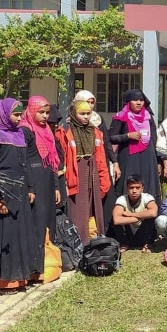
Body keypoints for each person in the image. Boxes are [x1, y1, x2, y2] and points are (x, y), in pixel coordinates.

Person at [0, 99, 41, 295]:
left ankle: (20, 276)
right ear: (5, 114)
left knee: (19, 233)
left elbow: (26, 164)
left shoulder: (20, 135)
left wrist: (31, 187)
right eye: (15, 114)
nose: (19, 118)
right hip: (3, 189)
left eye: (20, 115)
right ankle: (2, 281)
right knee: (3, 234)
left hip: (20, 189)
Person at [57, 100, 112, 246]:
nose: (86, 117)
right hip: (76, 172)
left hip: (92, 170)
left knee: (94, 205)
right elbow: (63, 156)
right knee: (78, 208)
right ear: (74, 114)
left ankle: (96, 241)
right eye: (82, 114)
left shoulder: (95, 131)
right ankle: (79, 243)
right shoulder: (66, 131)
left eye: (88, 113)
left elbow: (100, 156)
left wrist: (104, 178)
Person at [18, 96, 61, 264]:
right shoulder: (25, 130)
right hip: (34, 179)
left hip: (47, 179)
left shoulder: (46, 130)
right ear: (31, 111)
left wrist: (56, 186)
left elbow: (52, 160)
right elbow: (25, 161)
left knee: (48, 218)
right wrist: (31, 187)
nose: (45, 116)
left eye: (47, 113)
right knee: (37, 219)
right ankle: (34, 262)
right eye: (41, 112)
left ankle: (47, 259)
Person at [108, 90, 159, 226]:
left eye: (141, 100)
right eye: (135, 100)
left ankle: (148, 228)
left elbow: (154, 138)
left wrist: (157, 160)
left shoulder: (148, 117)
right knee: (129, 186)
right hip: (128, 156)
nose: (138, 103)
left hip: (148, 157)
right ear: (128, 102)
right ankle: (125, 227)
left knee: (148, 186)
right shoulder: (121, 117)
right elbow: (110, 137)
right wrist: (127, 136)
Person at [74, 90, 119, 179]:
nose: (90, 105)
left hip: (100, 159)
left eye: (92, 102)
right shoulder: (72, 122)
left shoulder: (98, 119)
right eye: (87, 102)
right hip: (81, 163)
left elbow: (106, 141)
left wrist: (115, 162)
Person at [112, 175, 159, 252]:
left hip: (143, 232)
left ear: (142, 188)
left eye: (137, 188)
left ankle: (148, 244)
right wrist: (142, 216)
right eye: (131, 188)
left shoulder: (147, 197)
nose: (134, 191)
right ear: (127, 188)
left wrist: (131, 214)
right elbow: (116, 220)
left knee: (151, 218)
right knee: (116, 220)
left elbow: (153, 213)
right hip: (128, 233)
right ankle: (124, 244)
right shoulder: (122, 199)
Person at [46, 106, 68, 207]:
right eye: (52, 124)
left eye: (56, 124)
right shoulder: (42, 138)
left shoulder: (56, 137)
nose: (55, 127)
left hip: (60, 177)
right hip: (49, 179)